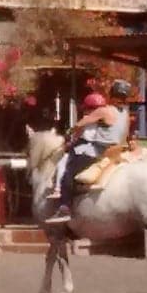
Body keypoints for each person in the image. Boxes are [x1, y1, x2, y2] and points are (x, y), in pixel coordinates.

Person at [44, 80, 131, 225]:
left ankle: (64, 207)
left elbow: (79, 124)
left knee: (68, 174)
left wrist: (69, 132)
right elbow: (125, 135)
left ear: (111, 95)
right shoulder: (125, 114)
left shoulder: (104, 110)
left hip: (96, 151)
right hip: (116, 152)